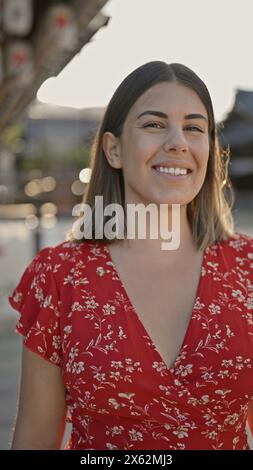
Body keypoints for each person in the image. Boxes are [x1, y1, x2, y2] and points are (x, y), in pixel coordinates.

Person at [9, 61, 253, 450]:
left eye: (194, 127)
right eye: (154, 124)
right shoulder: (58, 277)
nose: (178, 142)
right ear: (114, 150)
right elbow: (35, 440)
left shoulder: (248, 269)